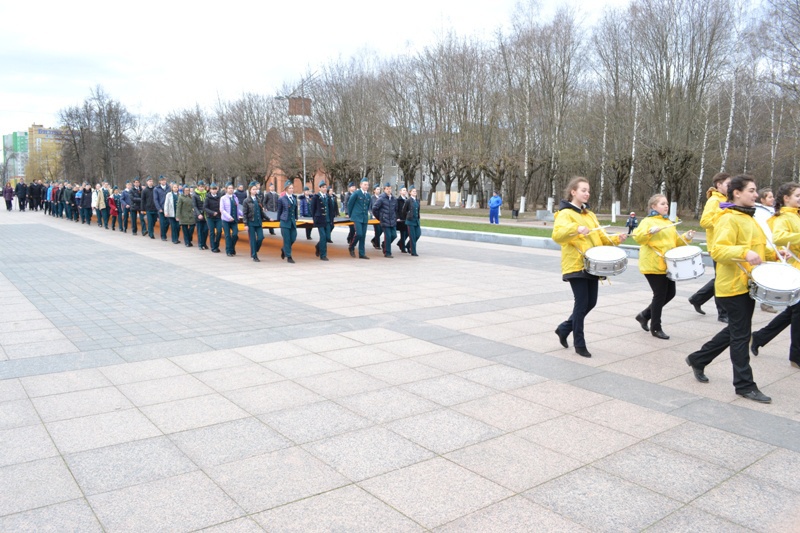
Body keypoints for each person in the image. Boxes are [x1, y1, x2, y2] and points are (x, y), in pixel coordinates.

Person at [685, 175, 781, 404]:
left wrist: (774, 255)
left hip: (747, 283)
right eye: (751, 190)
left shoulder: (750, 217)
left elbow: (755, 248)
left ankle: (698, 359)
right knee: (740, 336)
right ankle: (744, 385)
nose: (755, 194)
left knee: (737, 330)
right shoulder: (728, 218)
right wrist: (744, 253)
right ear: (736, 193)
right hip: (732, 287)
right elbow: (718, 251)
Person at [552, 177, 627, 358]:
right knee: (582, 303)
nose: (587, 193)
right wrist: (576, 229)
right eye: (583, 190)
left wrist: (617, 238)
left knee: (591, 302)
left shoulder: (589, 215)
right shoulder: (565, 214)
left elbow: (600, 238)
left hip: (592, 265)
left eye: (588, 190)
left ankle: (564, 328)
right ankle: (579, 343)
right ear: (573, 192)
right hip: (576, 264)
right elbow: (557, 235)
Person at [750, 181, 800, 369]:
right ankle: (796, 355)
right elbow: (778, 237)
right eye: (797, 196)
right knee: (797, 313)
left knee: (793, 312)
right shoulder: (783, 217)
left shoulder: (796, 215)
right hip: (795, 269)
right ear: (786, 198)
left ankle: (760, 337)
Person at [632, 194, 695, 340]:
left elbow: (675, 242)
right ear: (653, 207)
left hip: (667, 265)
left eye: (666, 203)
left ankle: (644, 315)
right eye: (662, 204)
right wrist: (649, 232)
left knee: (670, 293)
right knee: (659, 295)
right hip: (652, 264)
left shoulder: (668, 223)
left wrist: (686, 237)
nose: (666, 206)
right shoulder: (648, 221)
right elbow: (638, 237)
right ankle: (656, 328)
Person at [689, 172, 731, 322]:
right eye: (728, 184)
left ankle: (697, 298)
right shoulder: (714, 201)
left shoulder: (727, 200)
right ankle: (722, 313)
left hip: (726, 245)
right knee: (721, 280)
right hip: (717, 246)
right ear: (718, 185)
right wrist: (722, 214)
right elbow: (704, 222)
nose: (730, 187)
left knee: (721, 278)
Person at [754, 188, 778, 313]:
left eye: (773, 196)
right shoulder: (759, 212)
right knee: (767, 276)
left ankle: (768, 301)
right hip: (766, 246)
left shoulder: (772, 211)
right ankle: (765, 302)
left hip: (772, 246)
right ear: (762, 199)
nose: (772, 199)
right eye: (769, 197)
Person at [372, 182, 399, 258]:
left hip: (392, 221)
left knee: (394, 235)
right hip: (385, 220)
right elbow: (374, 209)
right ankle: (387, 252)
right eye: (387, 189)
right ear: (384, 189)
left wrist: (395, 217)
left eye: (390, 189)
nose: (389, 190)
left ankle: (384, 244)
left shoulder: (394, 199)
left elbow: (396, 210)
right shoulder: (381, 198)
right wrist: (380, 217)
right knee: (388, 236)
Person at [347, 177, 372, 259]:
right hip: (357, 217)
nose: (366, 186)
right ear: (361, 185)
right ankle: (351, 246)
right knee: (359, 234)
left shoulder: (368, 195)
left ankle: (362, 253)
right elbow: (350, 204)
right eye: (365, 185)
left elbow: (368, 206)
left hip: (364, 217)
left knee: (363, 236)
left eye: (367, 185)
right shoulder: (356, 193)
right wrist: (351, 215)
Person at [242, 183, 265, 262]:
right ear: (250, 190)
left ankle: (255, 249)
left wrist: (268, 218)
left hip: (258, 222)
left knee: (261, 237)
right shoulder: (246, 201)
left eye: (256, 189)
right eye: (253, 189)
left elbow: (261, 211)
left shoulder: (258, 199)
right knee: (252, 239)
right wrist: (245, 224)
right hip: (251, 222)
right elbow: (244, 213)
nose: (255, 191)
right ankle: (254, 255)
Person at [276, 180, 298, 263]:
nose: (291, 190)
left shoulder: (294, 198)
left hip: (292, 221)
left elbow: (295, 209)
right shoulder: (282, 199)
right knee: (287, 239)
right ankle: (289, 256)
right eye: (290, 188)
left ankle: (284, 248)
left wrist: (296, 218)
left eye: (292, 188)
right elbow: (279, 210)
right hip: (285, 221)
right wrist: (279, 221)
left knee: (293, 237)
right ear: (286, 189)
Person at [310, 180, 331, 261]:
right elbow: (312, 209)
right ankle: (323, 255)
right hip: (320, 219)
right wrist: (315, 219)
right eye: (323, 187)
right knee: (323, 237)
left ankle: (318, 246)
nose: (325, 189)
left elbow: (330, 209)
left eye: (326, 187)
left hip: (327, 220)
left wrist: (331, 219)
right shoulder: (316, 197)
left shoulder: (328, 197)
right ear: (319, 188)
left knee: (327, 237)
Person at [220, 183, 240, 256]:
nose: (231, 189)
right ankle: (229, 251)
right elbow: (222, 209)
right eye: (229, 188)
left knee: (235, 235)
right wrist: (228, 217)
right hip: (226, 220)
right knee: (227, 235)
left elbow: (237, 208)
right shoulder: (223, 198)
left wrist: (243, 214)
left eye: (232, 188)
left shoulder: (235, 198)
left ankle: (231, 247)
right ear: (226, 189)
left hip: (234, 220)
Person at [401, 184, 421, 256]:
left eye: (415, 191)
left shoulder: (417, 200)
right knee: (412, 236)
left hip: (416, 221)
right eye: (413, 191)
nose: (415, 192)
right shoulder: (408, 201)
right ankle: (413, 252)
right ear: (410, 192)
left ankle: (408, 245)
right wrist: (408, 215)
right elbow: (403, 211)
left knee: (418, 234)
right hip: (410, 221)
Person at [204, 183, 223, 253]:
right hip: (210, 217)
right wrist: (212, 212)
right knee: (212, 232)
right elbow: (205, 208)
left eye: (215, 189)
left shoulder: (219, 197)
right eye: (213, 189)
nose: (214, 191)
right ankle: (213, 247)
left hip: (218, 217)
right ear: (210, 190)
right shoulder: (207, 198)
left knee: (219, 231)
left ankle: (216, 245)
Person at [192, 181, 209, 250]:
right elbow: (194, 206)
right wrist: (198, 214)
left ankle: (204, 243)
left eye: (202, 187)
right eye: (200, 187)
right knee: (200, 230)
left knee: (205, 230)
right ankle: (200, 244)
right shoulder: (195, 195)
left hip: (206, 215)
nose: (201, 188)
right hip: (199, 214)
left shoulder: (206, 194)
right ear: (198, 187)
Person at [154, 175, 169, 241]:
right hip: (161, 208)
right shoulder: (156, 189)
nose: (164, 181)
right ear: (160, 181)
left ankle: (164, 233)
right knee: (162, 223)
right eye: (162, 180)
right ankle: (163, 236)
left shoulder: (169, 188)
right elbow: (155, 199)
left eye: (164, 180)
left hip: (168, 208)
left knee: (168, 222)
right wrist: (159, 208)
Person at [396, 186, 409, 253]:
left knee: (407, 232)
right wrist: (397, 217)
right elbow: (396, 210)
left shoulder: (407, 200)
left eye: (405, 190)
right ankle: (403, 247)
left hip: (406, 219)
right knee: (403, 233)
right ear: (400, 192)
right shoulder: (398, 200)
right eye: (403, 190)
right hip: (400, 219)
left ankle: (400, 243)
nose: (404, 191)